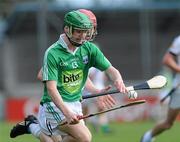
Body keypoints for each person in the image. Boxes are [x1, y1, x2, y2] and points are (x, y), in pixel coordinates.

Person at [10, 9, 128, 142]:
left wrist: (117, 80)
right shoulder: (53, 53)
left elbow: (109, 70)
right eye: (80, 31)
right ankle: (33, 125)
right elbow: (47, 83)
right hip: (54, 104)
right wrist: (66, 109)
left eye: (88, 31)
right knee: (85, 138)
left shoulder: (89, 48)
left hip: (75, 103)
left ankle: (31, 125)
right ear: (68, 29)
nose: (84, 36)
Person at [140, 35, 180, 142]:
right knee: (168, 123)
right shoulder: (179, 40)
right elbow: (167, 59)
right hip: (179, 88)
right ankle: (147, 137)